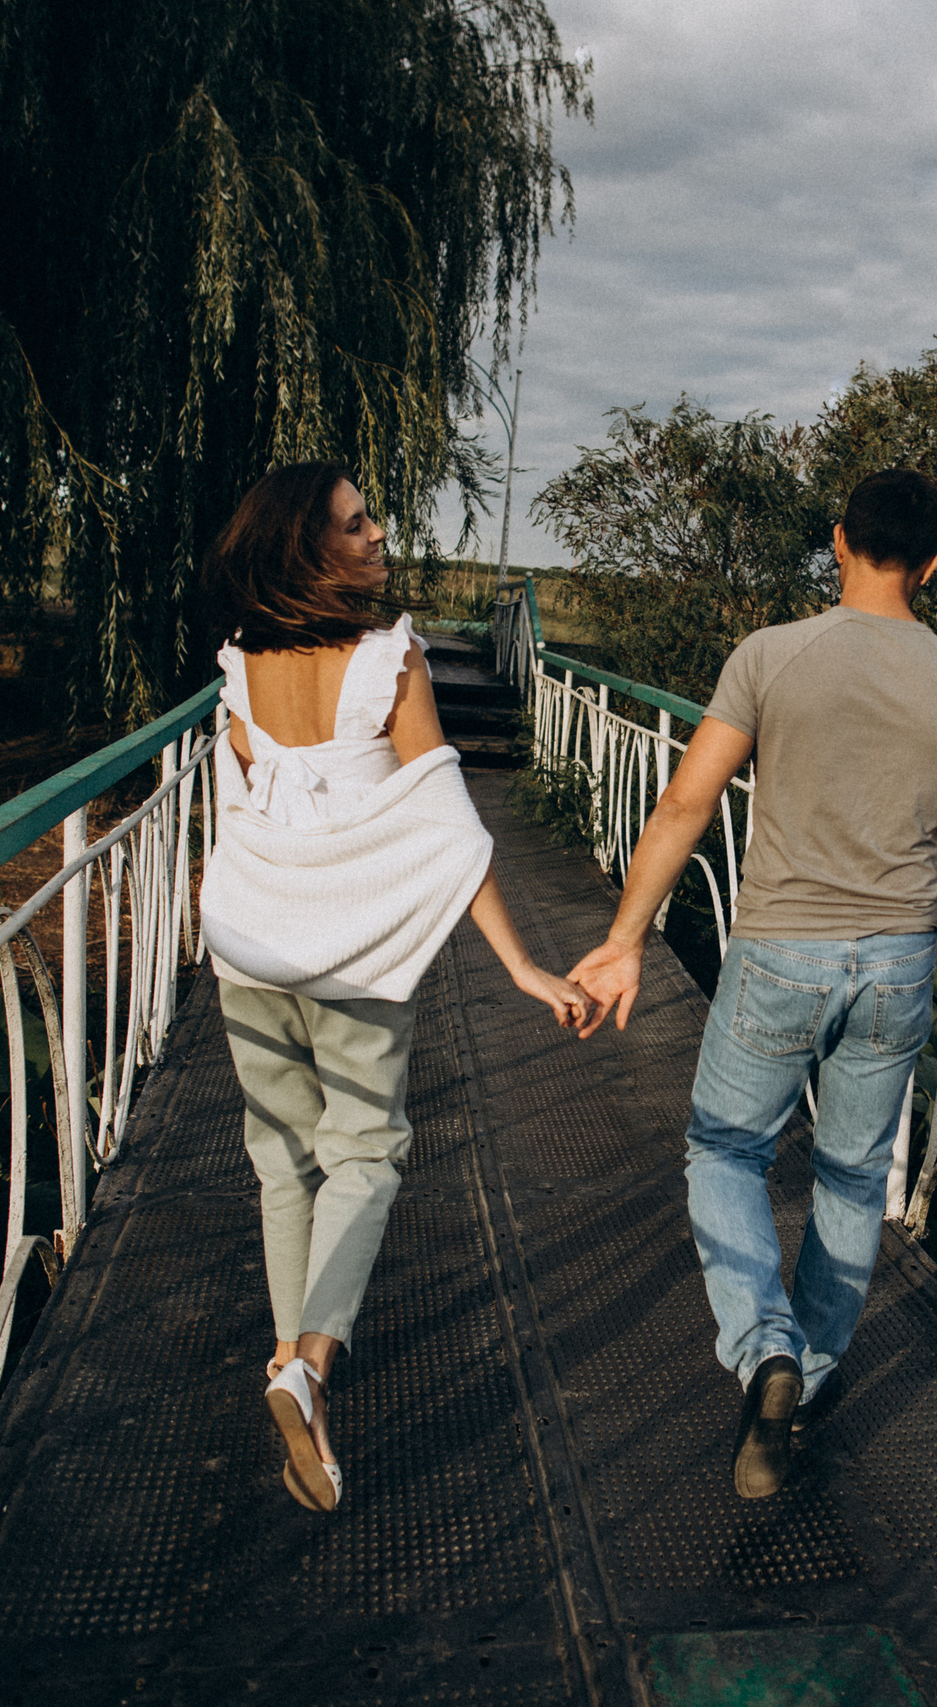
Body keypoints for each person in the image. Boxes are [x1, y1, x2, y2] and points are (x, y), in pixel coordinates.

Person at [566, 466, 937, 1499]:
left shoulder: (771, 654)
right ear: (935, 564)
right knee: (852, 1175)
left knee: (726, 1146)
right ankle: (803, 1380)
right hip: (900, 961)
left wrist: (627, 937)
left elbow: (684, 804)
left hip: (780, 951)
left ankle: (763, 1343)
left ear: (839, 540)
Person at [197, 460, 589, 1513]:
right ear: (308, 547)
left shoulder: (239, 665)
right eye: (356, 523)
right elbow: (446, 820)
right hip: (354, 953)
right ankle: (310, 1366)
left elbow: (249, 806)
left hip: (249, 946)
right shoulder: (387, 657)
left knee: (283, 1160)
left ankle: (293, 1371)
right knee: (366, 1155)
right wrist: (522, 964)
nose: (377, 535)